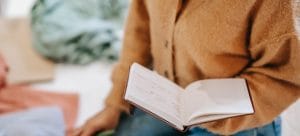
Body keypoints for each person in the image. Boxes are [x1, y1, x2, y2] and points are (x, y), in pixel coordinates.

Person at [73, 0, 300, 135]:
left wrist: (213, 111)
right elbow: (140, 25)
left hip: (239, 124)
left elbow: (283, 77)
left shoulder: (273, 6)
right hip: (167, 101)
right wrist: (115, 103)